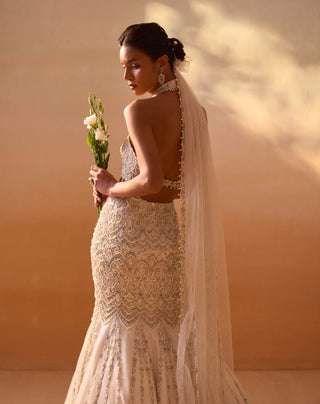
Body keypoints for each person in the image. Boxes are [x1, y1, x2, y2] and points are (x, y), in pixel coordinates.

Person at [64, 22, 250, 404]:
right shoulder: (195, 114)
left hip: (127, 237)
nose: (127, 76)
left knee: (120, 332)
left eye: (135, 65)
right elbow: (179, 185)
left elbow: (149, 181)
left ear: (162, 62)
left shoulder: (139, 111)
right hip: (168, 236)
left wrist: (110, 187)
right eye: (123, 67)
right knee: (166, 331)